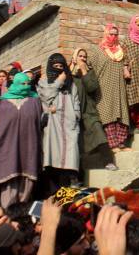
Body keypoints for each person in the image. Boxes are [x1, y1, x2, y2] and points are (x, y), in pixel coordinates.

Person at [0, 72, 41, 208]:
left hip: (29, 147)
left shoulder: (35, 101)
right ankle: (8, 215)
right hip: (9, 148)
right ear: (15, 84)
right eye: (23, 84)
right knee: (10, 180)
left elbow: (39, 123)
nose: (26, 86)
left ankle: (22, 216)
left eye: (28, 84)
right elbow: (0, 128)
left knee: (27, 183)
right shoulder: (3, 103)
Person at [37, 53, 81, 191]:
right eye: (55, 66)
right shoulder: (44, 82)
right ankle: (54, 197)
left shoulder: (70, 84)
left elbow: (76, 102)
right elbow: (46, 97)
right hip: (53, 125)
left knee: (70, 158)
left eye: (61, 66)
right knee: (53, 160)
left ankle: (68, 195)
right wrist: (58, 82)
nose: (58, 69)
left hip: (69, 124)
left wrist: (75, 115)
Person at [69, 48, 117, 171]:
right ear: (74, 58)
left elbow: (92, 88)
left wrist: (84, 70)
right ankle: (76, 175)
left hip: (89, 112)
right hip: (73, 114)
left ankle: (109, 162)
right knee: (75, 145)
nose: (83, 59)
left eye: (85, 57)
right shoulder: (68, 74)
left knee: (99, 134)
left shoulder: (89, 72)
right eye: (80, 56)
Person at [88, 23, 131, 152]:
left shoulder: (121, 51)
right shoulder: (98, 50)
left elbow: (126, 65)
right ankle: (112, 145)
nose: (113, 36)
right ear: (106, 34)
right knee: (108, 114)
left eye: (115, 34)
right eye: (110, 34)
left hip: (120, 87)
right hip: (104, 88)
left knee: (121, 113)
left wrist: (126, 69)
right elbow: (90, 68)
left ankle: (121, 144)